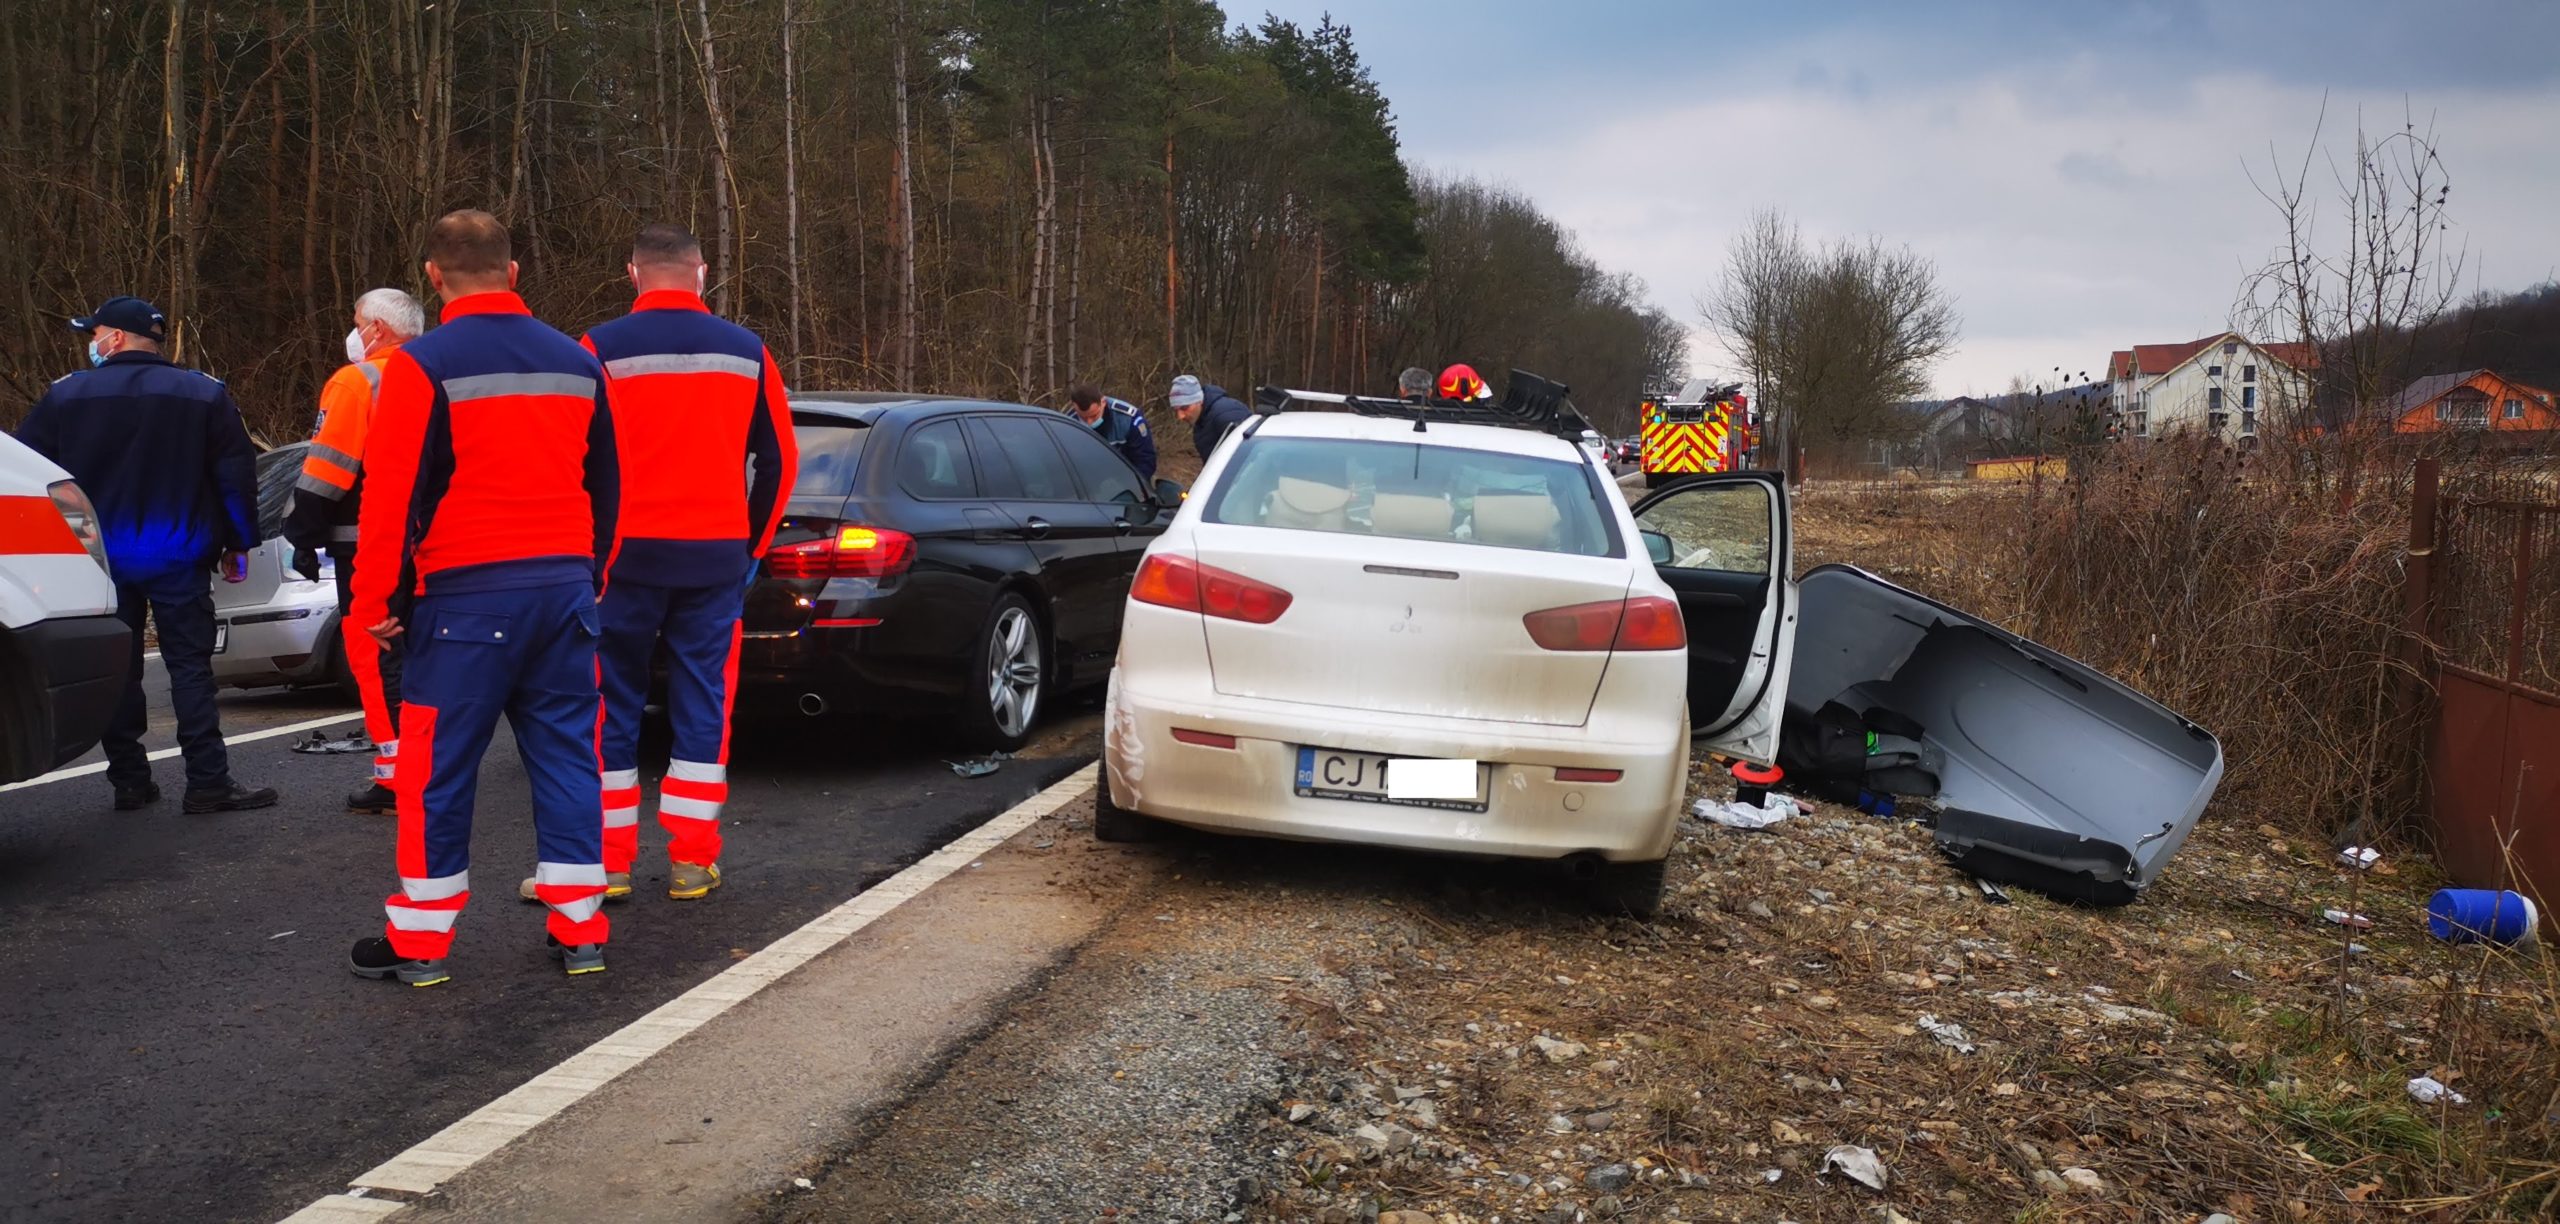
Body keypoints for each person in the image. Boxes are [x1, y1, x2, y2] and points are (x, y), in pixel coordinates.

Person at [345, 209, 620, 986]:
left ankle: (423, 944)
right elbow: (609, 487)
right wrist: (589, 578)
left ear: (433, 277)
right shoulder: (577, 362)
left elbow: (390, 501)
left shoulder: (421, 366)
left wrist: (376, 604)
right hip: (564, 592)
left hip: (465, 601)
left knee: (438, 772)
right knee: (568, 758)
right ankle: (581, 929)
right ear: (515, 270)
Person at [526, 222, 796, 907]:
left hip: (621, 561)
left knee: (607, 707)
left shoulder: (600, 348)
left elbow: (572, 458)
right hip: (714, 558)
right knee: (704, 703)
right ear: (701, 272)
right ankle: (691, 861)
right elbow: (780, 462)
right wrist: (752, 547)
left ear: (633, 273)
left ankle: (610, 864)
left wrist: (587, 553)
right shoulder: (748, 350)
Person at [13, 296, 277, 814]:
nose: (92, 342)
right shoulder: (203, 394)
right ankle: (207, 780)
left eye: (95, 334)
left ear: (116, 338)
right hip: (178, 551)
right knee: (190, 668)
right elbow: (234, 476)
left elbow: (30, 473)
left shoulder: (66, 397)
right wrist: (239, 541)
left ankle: (129, 780)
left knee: (120, 668)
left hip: (101, 557)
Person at [283, 287, 426, 815]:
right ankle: (431, 769)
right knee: (428, 659)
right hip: (441, 546)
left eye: (357, 322)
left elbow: (327, 470)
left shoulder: (357, 380)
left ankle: (396, 779)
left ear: (378, 330)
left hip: (368, 547)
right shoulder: (443, 371)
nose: (354, 332)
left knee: (376, 656)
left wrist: (301, 532)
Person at [1068, 384, 1156, 479]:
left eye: (1094, 416)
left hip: (1128, 476)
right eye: (1083, 418)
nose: (1089, 422)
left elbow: (1145, 460)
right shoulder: (1067, 424)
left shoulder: (1128, 419)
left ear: (1103, 402)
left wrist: (1130, 485)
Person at [1169, 374, 1251, 460]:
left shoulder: (1226, 415)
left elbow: (1246, 457)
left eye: (1184, 408)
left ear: (1199, 400)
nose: (1180, 416)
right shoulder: (1201, 420)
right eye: (1176, 410)